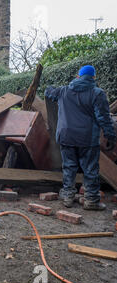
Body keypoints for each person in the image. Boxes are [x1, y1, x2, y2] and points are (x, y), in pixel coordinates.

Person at [45, 65, 116, 211]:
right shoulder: (98, 93)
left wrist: (49, 86)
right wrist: (110, 136)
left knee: (69, 167)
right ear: (93, 78)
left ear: (78, 76)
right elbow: (103, 118)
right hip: (87, 138)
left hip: (66, 136)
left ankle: (67, 197)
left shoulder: (63, 90)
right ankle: (91, 201)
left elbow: (49, 92)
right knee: (90, 169)